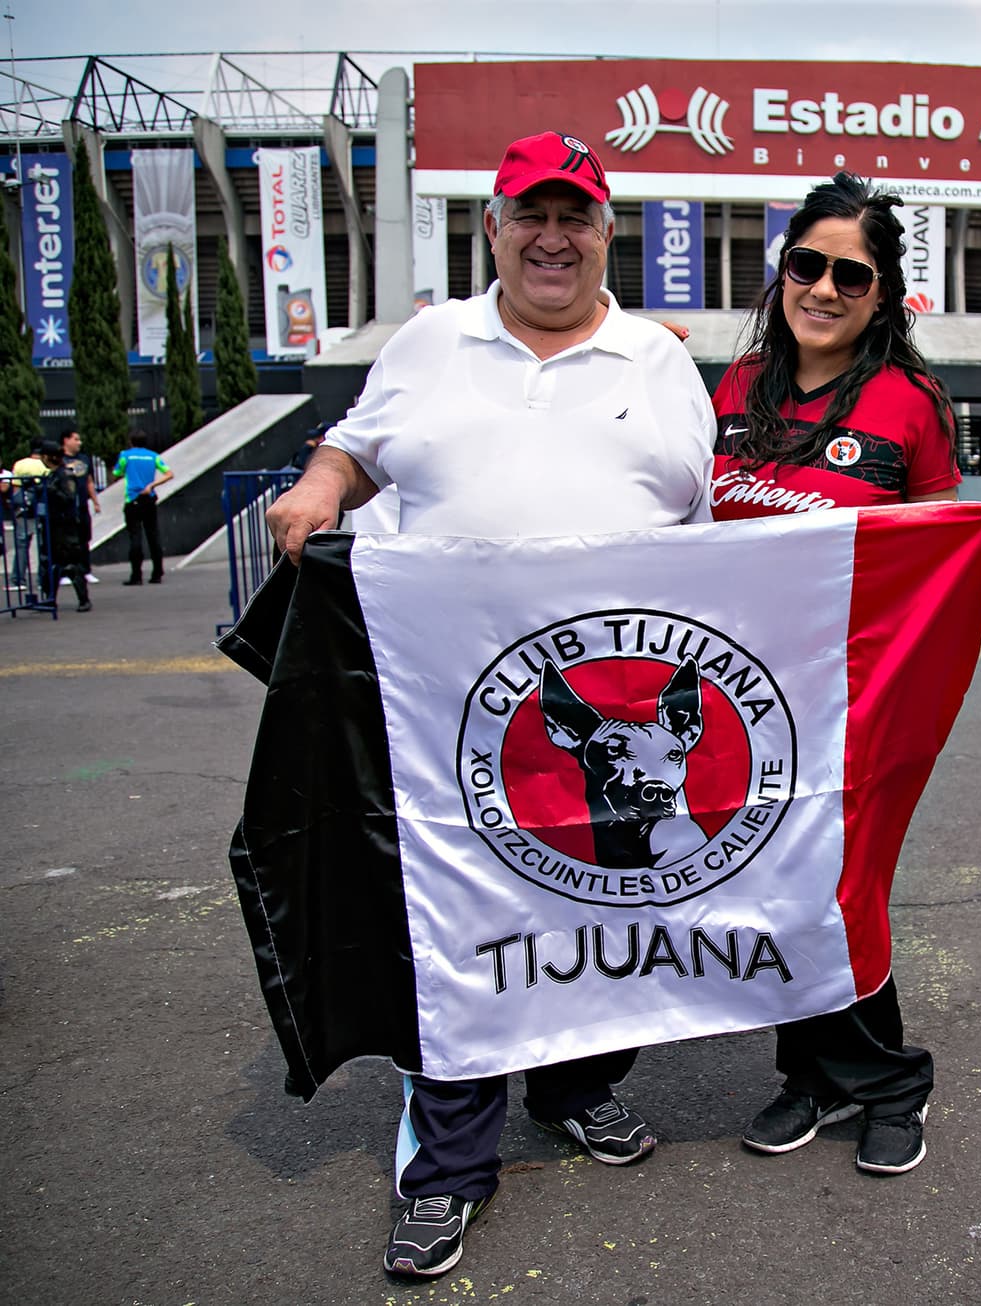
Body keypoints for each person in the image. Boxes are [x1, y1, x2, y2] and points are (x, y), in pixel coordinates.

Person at [264, 130, 715, 1281]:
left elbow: (708, 530)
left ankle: (575, 1089)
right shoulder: (431, 340)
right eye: (531, 214)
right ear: (493, 228)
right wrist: (321, 483)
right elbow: (358, 448)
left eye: (575, 217)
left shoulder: (658, 360)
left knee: (601, 909)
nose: (552, 237)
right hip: (443, 709)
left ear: (606, 233)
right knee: (458, 934)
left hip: (602, 709)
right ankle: (447, 1171)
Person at [710, 172, 981, 1178]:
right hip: (740, 694)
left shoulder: (909, 402)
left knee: (840, 883)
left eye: (846, 274)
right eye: (803, 265)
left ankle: (889, 1080)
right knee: (773, 882)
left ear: (881, 293)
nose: (821, 287)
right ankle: (811, 1076)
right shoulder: (731, 391)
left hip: (860, 691)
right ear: (780, 276)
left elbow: (942, 536)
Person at [112, 431, 173, 585]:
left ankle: (136, 575)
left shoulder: (126, 455)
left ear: (131, 442)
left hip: (133, 499)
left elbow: (116, 472)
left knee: (135, 537)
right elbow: (169, 474)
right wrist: (152, 485)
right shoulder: (153, 456)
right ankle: (157, 573)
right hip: (149, 499)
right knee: (153, 536)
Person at [37, 440, 92, 611]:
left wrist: (52, 490)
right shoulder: (51, 475)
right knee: (51, 563)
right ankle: (50, 598)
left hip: (66, 525)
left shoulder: (64, 474)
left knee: (72, 563)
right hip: (53, 524)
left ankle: (84, 600)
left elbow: (69, 497)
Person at [5, 436, 48, 595]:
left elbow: (15, 488)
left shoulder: (20, 464)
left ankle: (18, 579)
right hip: (42, 507)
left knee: (22, 544)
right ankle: (43, 581)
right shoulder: (46, 464)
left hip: (24, 508)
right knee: (44, 545)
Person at [59, 429, 101, 585]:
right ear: (66, 440)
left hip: (82, 505)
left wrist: (95, 501)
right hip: (66, 507)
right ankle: (65, 573)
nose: (79, 443)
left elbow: (89, 480)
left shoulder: (84, 459)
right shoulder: (59, 459)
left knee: (84, 539)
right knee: (67, 541)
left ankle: (85, 570)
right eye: (76, 439)